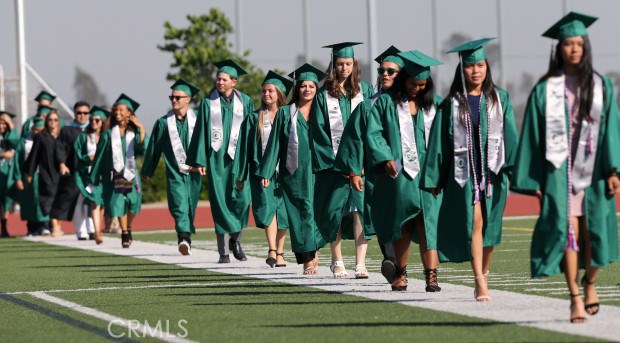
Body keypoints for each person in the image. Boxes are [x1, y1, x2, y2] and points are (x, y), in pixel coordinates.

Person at [511, 12, 620, 323]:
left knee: (595, 233)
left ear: (586, 47)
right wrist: (534, 178)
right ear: (558, 48)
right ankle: (574, 297)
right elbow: (532, 134)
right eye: (568, 44)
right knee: (567, 233)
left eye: (579, 43)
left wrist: (614, 171)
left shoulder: (600, 85)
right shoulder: (546, 89)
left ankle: (591, 283)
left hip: (594, 172)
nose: (574, 49)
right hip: (559, 173)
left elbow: (611, 128)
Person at [423, 38, 518, 302]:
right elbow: (439, 144)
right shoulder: (451, 104)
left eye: (480, 65)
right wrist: (434, 178)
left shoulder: (500, 99)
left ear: (487, 67)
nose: (475, 71)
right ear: (461, 70)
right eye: (469, 66)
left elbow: (510, 136)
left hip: (493, 175)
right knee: (474, 223)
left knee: (490, 231)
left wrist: (516, 170)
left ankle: (483, 274)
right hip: (463, 177)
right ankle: (479, 281)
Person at [349, 50, 443, 292]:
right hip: (401, 174)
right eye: (413, 84)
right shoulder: (386, 103)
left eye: (422, 85)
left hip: (430, 174)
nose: (417, 89)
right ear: (404, 81)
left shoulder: (436, 105)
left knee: (428, 223)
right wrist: (386, 157)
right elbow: (374, 134)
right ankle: (400, 274)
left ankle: (431, 277)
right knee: (403, 224)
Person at [335, 46, 405, 279]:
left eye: (390, 71)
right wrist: (355, 170)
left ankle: (422, 270)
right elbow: (353, 138)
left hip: (409, 174)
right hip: (378, 173)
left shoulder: (412, 106)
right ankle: (391, 261)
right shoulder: (368, 105)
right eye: (381, 70)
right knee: (384, 217)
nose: (384, 74)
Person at [311, 42, 375, 278]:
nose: (344, 68)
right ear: (333, 65)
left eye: (348, 63)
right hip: (334, 168)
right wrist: (338, 164)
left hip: (360, 166)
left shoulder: (365, 91)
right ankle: (337, 260)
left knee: (360, 212)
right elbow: (318, 133)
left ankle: (360, 263)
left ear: (354, 64)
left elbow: (372, 128)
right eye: (340, 64)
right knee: (335, 213)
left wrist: (364, 161)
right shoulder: (322, 96)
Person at [256, 63, 327, 274]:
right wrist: (267, 171)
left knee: (317, 212)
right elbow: (274, 144)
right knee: (300, 214)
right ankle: (306, 258)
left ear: (316, 89)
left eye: (311, 86)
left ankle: (314, 250)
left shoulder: (322, 111)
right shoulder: (286, 113)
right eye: (303, 86)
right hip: (293, 173)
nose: (307, 89)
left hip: (318, 171)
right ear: (298, 89)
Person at [187, 60, 255, 263]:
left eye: (224, 79)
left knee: (242, 201)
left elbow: (252, 131)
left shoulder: (246, 102)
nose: (219, 82)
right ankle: (223, 252)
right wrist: (200, 161)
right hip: (216, 161)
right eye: (218, 78)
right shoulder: (208, 104)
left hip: (240, 160)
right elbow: (200, 134)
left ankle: (236, 239)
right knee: (220, 204)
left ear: (234, 82)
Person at [233, 71, 293, 267]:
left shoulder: (289, 116)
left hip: (286, 171)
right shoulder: (253, 118)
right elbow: (243, 148)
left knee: (282, 212)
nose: (266, 94)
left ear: (279, 93)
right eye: (264, 91)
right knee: (268, 209)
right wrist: (240, 175)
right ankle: (272, 249)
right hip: (261, 173)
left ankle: (281, 251)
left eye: (270, 91)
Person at [142, 79, 203, 255]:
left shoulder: (198, 119)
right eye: (172, 97)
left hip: (195, 173)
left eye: (178, 97)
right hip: (175, 172)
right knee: (179, 204)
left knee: (191, 204)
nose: (174, 100)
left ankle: (186, 236)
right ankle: (183, 238)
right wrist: (147, 170)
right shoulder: (163, 123)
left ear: (188, 99)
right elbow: (154, 148)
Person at [90, 94, 147, 248]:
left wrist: (141, 128)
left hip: (131, 173)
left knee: (134, 203)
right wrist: (95, 176)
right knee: (119, 203)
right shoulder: (109, 134)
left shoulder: (133, 132)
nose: (117, 112)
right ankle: (124, 232)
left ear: (130, 113)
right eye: (116, 110)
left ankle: (127, 226)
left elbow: (143, 149)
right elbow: (100, 156)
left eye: (121, 110)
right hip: (114, 174)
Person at [54, 101, 92, 240]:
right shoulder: (67, 130)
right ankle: (81, 231)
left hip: (92, 173)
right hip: (75, 172)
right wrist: (62, 163)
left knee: (92, 200)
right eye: (79, 113)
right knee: (77, 201)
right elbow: (60, 148)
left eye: (85, 113)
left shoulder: (94, 129)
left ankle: (92, 228)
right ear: (74, 113)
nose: (82, 116)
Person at [25, 109, 64, 236]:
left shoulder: (63, 136)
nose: (52, 122)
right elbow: (34, 155)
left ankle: (57, 225)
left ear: (59, 122)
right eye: (50, 120)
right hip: (46, 172)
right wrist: (30, 173)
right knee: (50, 197)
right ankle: (54, 225)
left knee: (60, 198)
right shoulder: (41, 137)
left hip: (62, 172)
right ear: (47, 122)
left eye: (55, 120)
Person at [74, 106, 109, 244]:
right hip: (90, 175)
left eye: (97, 120)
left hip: (105, 174)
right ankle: (97, 231)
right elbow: (78, 153)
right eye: (92, 120)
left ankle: (98, 228)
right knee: (94, 201)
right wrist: (88, 158)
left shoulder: (108, 136)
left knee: (101, 203)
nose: (94, 122)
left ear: (103, 122)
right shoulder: (84, 137)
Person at [13, 117, 50, 235]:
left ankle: (45, 226)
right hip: (28, 177)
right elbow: (16, 162)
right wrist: (18, 178)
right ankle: (32, 227)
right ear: (32, 129)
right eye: (36, 130)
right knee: (29, 202)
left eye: (41, 130)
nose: (39, 133)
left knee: (44, 200)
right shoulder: (23, 143)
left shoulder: (48, 140)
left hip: (44, 176)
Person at [0, 111, 19, 238]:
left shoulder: (9, 137)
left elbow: (17, 142)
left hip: (7, 173)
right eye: (0, 123)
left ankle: (4, 229)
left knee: (6, 201)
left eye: (4, 123)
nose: (2, 126)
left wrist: (11, 124)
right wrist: (2, 155)